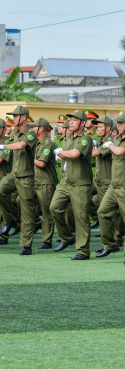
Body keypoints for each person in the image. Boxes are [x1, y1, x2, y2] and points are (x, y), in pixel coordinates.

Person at [0, 106, 38, 254]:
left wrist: (4, 146)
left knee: (26, 212)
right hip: (14, 174)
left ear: (24, 117)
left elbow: (20, 146)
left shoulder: (31, 133)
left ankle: (26, 245)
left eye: (16, 116)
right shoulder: (14, 132)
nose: (13, 118)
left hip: (26, 176)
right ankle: (10, 219)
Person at [50, 109, 94, 259]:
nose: (71, 122)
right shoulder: (68, 136)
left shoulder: (86, 138)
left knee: (81, 217)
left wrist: (60, 152)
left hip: (80, 183)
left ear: (82, 123)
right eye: (71, 119)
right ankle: (67, 237)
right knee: (54, 208)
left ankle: (83, 251)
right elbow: (66, 155)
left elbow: (75, 154)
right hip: (66, 181)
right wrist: (62, 154)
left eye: (75, 120)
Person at [97, 111, 125, 258]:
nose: (118, 125)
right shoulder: (117, 139)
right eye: (118, 123)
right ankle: (110, 244)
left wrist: (109, 145)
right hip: (114, 186)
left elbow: (120, 151)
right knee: (102, 212)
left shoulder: (116, 143)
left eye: (121, 123)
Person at [31, 117, 57, 249]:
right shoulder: (35, 143)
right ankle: (38, 223)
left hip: (46, 182)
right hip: (35, 180)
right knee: (19, 201)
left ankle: (47, 240)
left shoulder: (48, 144)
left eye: (34, 127)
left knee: (46, 212)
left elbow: (41, 163)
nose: (31, 129)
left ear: (41, 129)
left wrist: (28, 158)